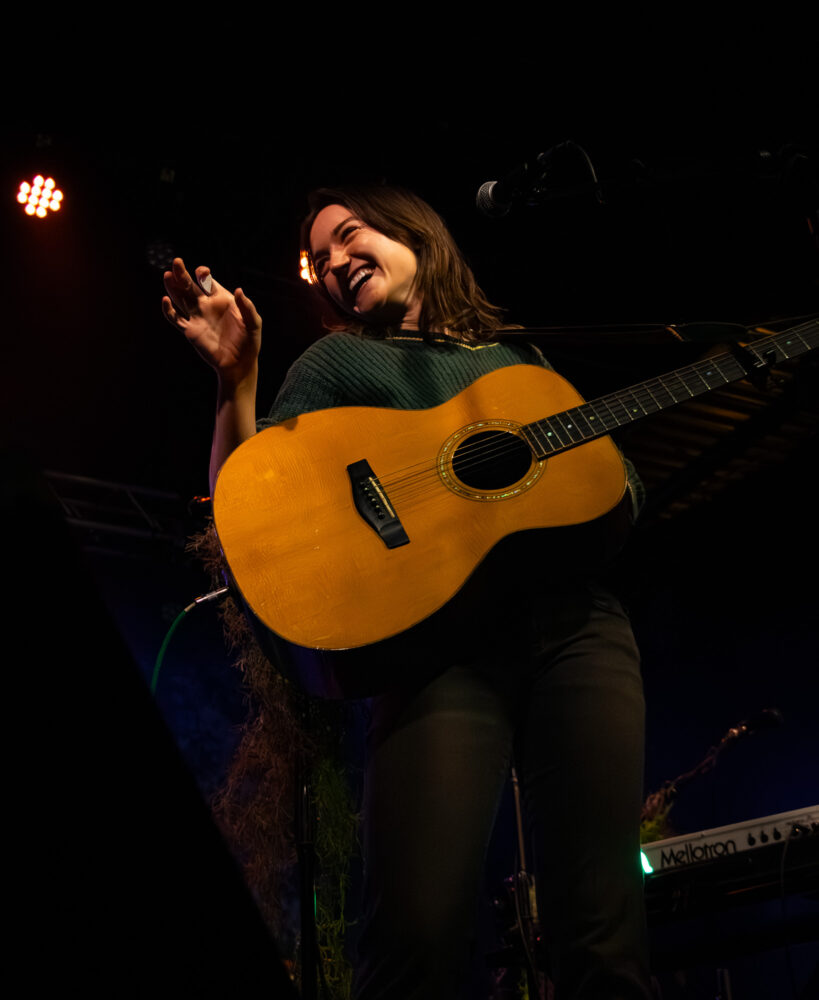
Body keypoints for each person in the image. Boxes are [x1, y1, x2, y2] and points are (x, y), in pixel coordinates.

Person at [162, 184, 653, 1000]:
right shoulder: (335, 362)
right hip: (436, 654)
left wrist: (580, 484)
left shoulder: (517, 361)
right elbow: (256, 516)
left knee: (603, 927)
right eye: (319, 260)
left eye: (350, 236)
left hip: (576, 631)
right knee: (412, 937)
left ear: (414, 236)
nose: (334, 264)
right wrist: (238, 381)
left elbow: (623, 490)